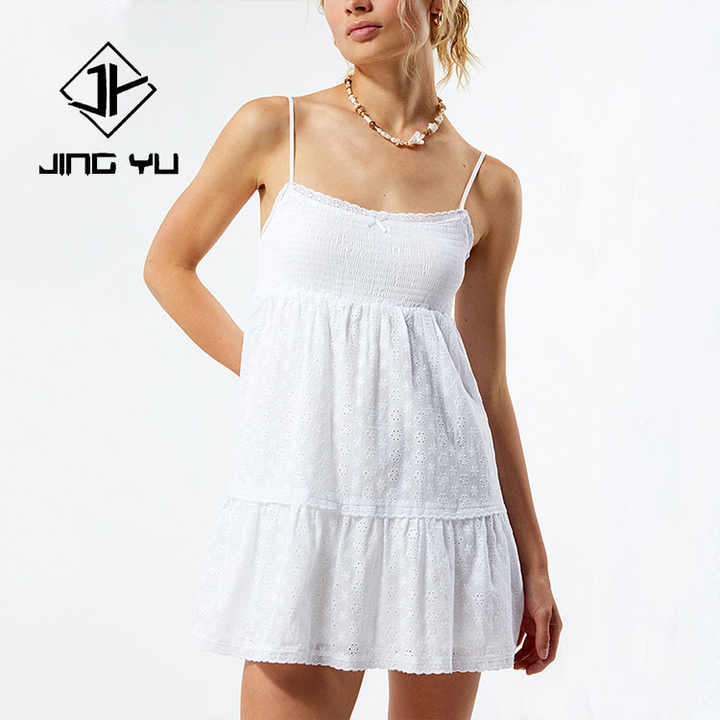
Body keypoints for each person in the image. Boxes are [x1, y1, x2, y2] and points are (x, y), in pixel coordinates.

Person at [143, 1, 562, 717]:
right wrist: (269, 367)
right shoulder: (275, 127)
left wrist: (535, 561)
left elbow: (487, 388)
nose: (353, 3)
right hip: (310, 499)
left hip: (439, 516)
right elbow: (168, 266)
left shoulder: (489, 186)